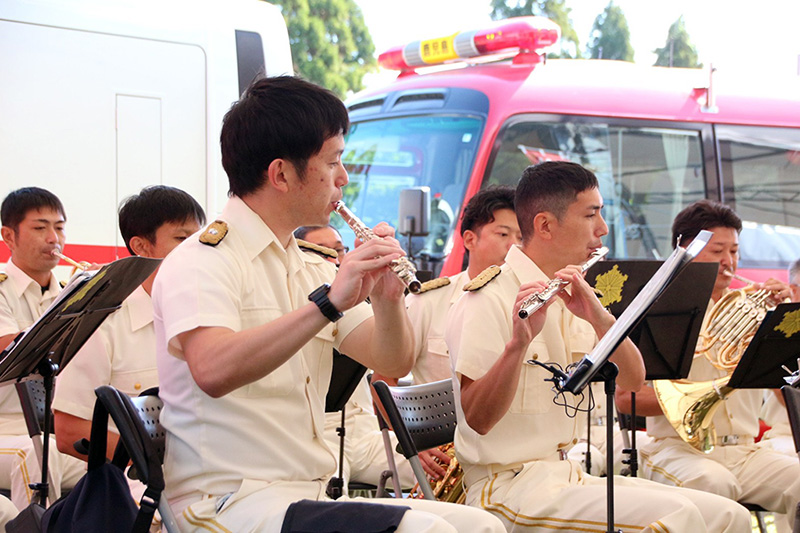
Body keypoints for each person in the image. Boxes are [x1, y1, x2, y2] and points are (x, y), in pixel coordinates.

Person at [152, 76, 505, 533]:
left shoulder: (311, 265)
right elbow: (213, 370)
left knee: (483, 527)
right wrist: (328, 304)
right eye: (333, 161)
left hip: (304, 495)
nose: (343, 178)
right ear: (281, 174)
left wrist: (387, 299)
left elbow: (391, 359)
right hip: (224, 501)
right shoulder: (202, 259)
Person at [445, 162, 751, 532]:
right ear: (544, 226)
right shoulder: (487, 297)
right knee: (677, 518)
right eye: (591, 215)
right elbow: (477, 420)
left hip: (566, 473)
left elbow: (635, 379)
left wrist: (601, 319)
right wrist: (517, 346)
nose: (602, 229)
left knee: (729, 515)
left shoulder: (572, 289)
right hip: (508, 486)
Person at [615, 199, 800, 530]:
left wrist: (784, 324)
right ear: (684, 249)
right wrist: (696, 398)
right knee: (715, 485)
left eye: (734, 251)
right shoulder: (657, 312)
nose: (729, 262)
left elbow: (782, 384)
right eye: (717, 251)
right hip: (676, 450)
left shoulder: (754, 310)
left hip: (747, 451)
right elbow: (625, 399)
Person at [53, 185, 205, 461]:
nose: (195, 251)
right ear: (141, 246)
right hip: (138, 483)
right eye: (182, 239)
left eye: (199, 239)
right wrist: (157, 466)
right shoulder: (103, 322)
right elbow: (69, 431)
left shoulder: (208, 313)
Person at [294, 224, 416, 490]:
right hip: (319, 433)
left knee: (441, 468)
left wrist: (389, 298)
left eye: (340, 251)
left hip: (365, 429)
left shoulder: (359, 297)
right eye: (322, 253)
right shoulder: (295, 300)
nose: (336, 262)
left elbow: (392, 366)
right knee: (324, 499)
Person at [0, 187, 84, 512]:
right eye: (40, 227)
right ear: (9, 235)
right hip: (7, 429)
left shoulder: (68, 294)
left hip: (51, 430)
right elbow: (14, 348)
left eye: (59, 227)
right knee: (36, 454)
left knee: (122, 456)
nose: (54, 238)